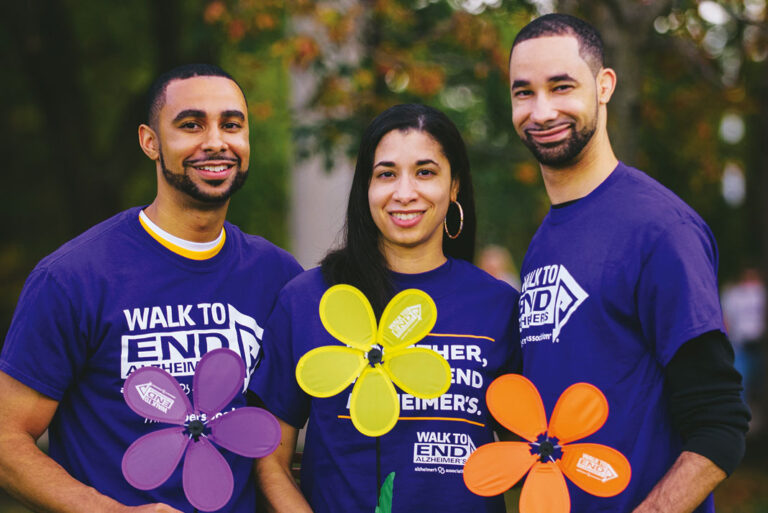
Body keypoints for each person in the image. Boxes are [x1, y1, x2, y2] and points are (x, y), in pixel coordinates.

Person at [0, 64, 302, 513]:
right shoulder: (74, 277)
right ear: (150, 141)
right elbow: (7, 440)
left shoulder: (279, 277)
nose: (216, 141)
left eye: (232, 125)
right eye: (191, 124)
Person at [509, 13, 750, 513]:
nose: (542, 110)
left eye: (561, 86)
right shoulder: (545, 241)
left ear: (604, 86)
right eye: (523, 92)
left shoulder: (660, 230)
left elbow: (720, 425)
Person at [250, 104, 520, 513]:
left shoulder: (497, 306)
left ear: (454, 186)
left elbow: (528, 453)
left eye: (425, 172)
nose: (404, 192)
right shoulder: (308, 300)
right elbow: (269, 458)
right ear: (367, 188)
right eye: (386, 174)